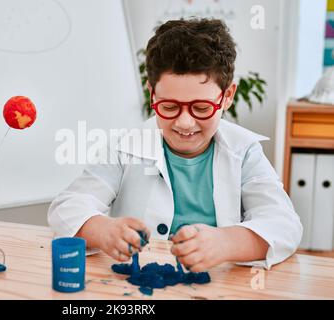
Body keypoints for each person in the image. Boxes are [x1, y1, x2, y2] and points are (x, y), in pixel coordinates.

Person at [48, 18, 302, 271]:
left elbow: (283, 224)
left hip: (215, 287)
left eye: (201, 108)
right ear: (152, 94)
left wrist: (226, 242)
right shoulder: (125, 147)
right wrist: (104, 230)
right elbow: (67, 207)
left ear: (227, 97)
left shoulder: (244, 151)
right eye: (169, 107)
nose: (185, 122)